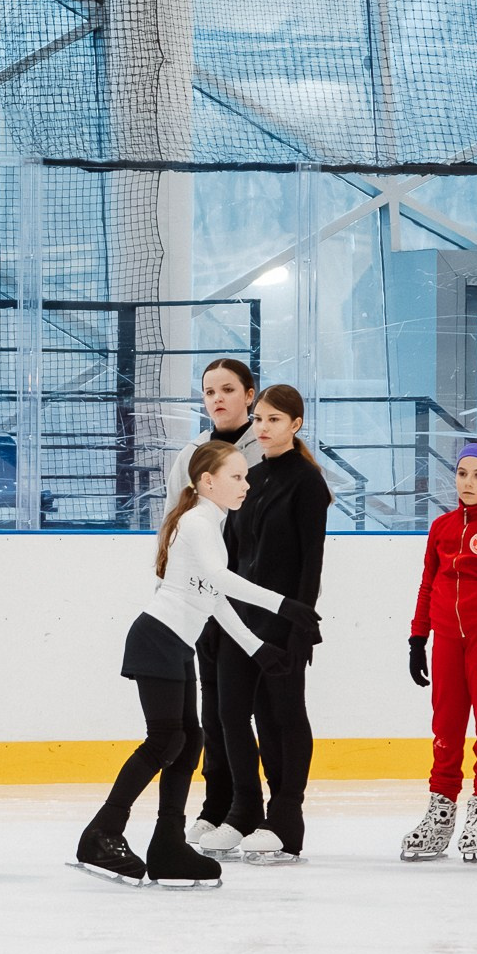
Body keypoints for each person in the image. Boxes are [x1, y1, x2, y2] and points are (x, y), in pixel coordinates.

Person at [72, 438, 305, 888]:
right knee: (164, 741)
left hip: (173, 644)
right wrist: (283, 605)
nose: (246, 484)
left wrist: (257, 646)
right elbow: (220, 581)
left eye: (246, 476)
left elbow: (211, 598)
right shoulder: (199, 522)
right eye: (237, 477)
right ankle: (102, 832)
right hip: (158, 639)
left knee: (187, 739)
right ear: (207, 481)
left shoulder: (207, 524)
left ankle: (167, 845)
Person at [200, 382, 328, 862]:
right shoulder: (250, 478)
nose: (264, 427)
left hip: (280, 624)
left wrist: (300, 624)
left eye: (274, 419)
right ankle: (244, 811)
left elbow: (309, 563)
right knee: (230, 715)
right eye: (259, 419)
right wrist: (217, 619)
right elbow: (230, 559)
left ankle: (286, 818)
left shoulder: (307, 483)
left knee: (282, 716)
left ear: (295, 424)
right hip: (239, 622)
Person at [162, 357, 269, 854]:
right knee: (215, 710)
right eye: (209, 391)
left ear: (250, 394)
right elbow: (173, 526)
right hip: (204, 603)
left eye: (228, 389)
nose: (218, 398)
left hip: (248, 602)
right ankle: (217, 804)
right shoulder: (190, 456)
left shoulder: (266, 450)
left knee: (249, 710)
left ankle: (256, 810)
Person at [403, 440, 477, 863]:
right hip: (446, 644)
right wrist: (418, 638)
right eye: (461, 474)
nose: (468, 483)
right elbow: (427, 584)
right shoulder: (441, 528)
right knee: (446, 726)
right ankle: (441, 809)